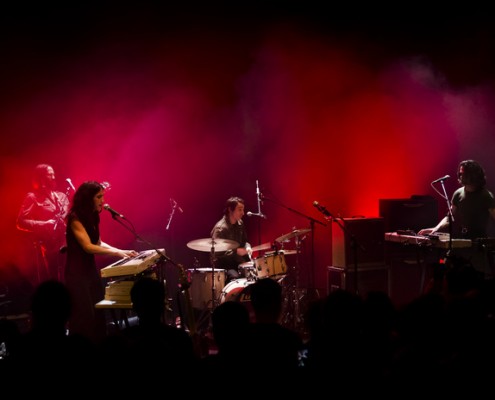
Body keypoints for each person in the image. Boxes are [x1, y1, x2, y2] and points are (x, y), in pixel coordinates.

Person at [64, 180, 138, 344]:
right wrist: (117, 253)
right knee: (85, 316)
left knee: (98, 313)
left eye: (102, 196)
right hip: (76, 274)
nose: (103, 201)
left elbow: (97, 242)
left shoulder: (93, 216)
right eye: (99, 197)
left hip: (89, 271)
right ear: (88, 198)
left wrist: (121, 251)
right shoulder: (75, 218)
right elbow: (88, 247)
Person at [418, 159, 495, 277]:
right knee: (448, 271)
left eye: (462, 173)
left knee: (475, 278)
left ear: (472, 175)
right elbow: (449, 217)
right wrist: (434, 230)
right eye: (459, 172)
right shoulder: (458, 193)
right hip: (459, 242)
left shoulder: (486, 196)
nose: (459, 175)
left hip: (476, 245)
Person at [16, 163, 71, 283]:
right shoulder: (32, 197)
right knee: (55, 280)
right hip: (50, 246)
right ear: (41, 178)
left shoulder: (61, 196)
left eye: (54, 174)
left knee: (70, 277)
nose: (53, 177)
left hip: (68, 242)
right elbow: (20, 222)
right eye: (49, 174)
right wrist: (44, 224)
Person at [210, 196, 252, 283]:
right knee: (236, 278)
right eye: (239, 209)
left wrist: (247, 247)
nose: (243, 213)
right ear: (230, 209)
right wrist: (236, 251)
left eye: (243, 209)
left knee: (256, 273)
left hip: (238, 262)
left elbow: (245, 241)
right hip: (225, 265)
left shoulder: (240, 223)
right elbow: (216, 254)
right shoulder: (220, 228)